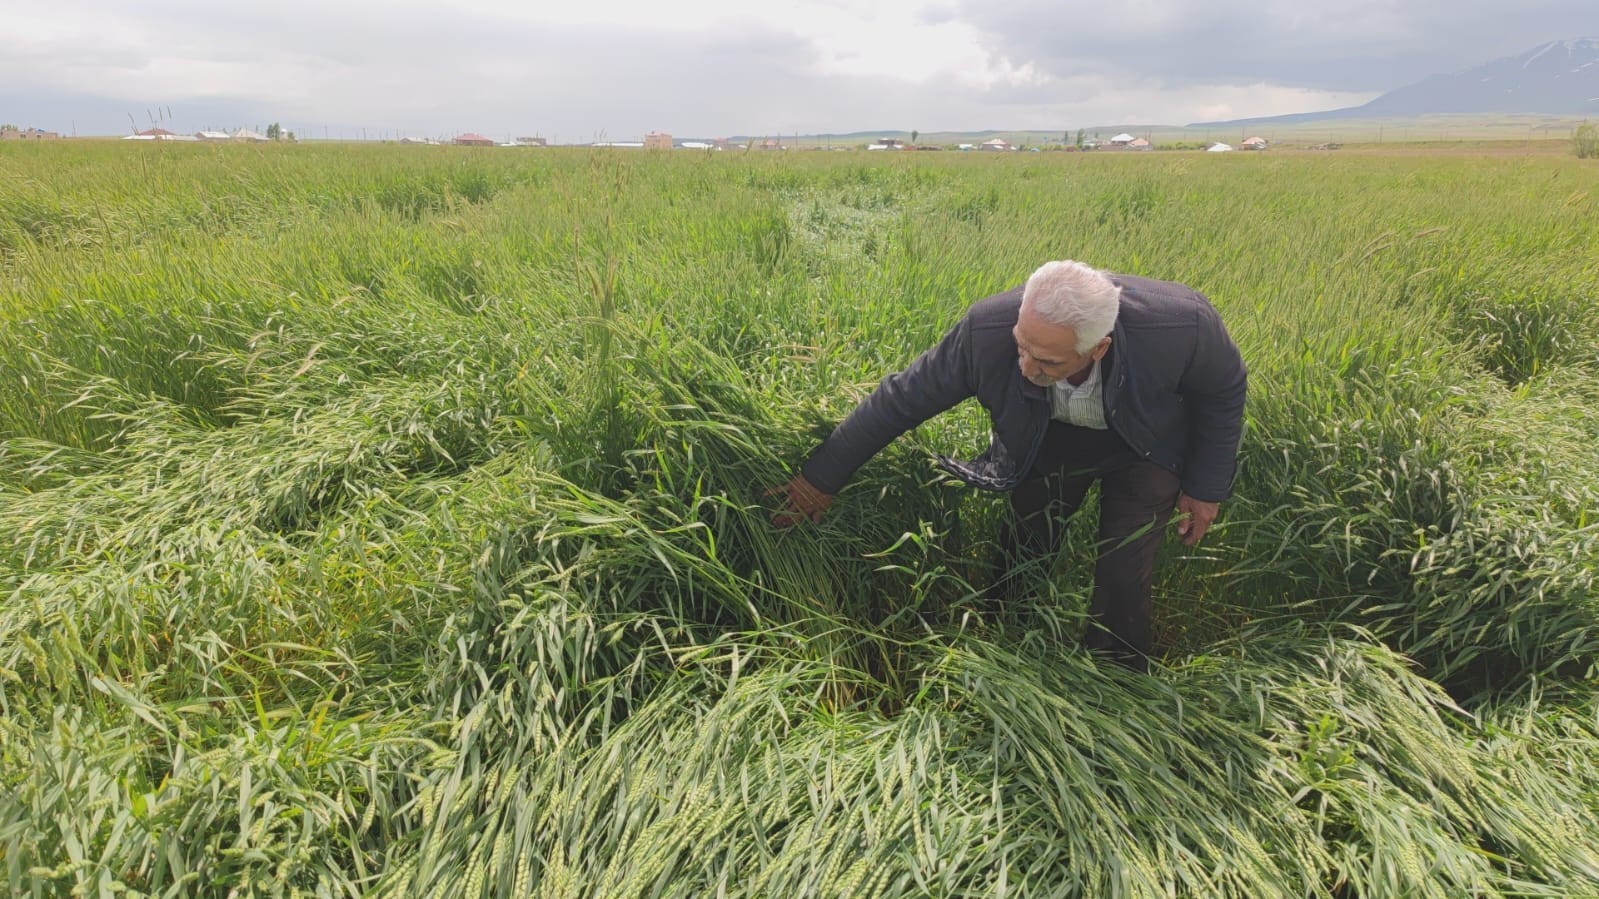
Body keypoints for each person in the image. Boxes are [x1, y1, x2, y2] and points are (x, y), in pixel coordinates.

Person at [769, 260, 1247, 671]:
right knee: (1027, 534)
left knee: (1125, 565)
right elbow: (901, 400)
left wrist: (1205, 488)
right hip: (1048, 438)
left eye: (1046, 360)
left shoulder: (1181, 327)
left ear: (1096, 348)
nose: (1024, 366)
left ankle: (1115, 674)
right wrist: (820, 479)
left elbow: (1223, 391)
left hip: (1145, 444)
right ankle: (1006, 630)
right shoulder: (987, 331)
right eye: (1021, 344)